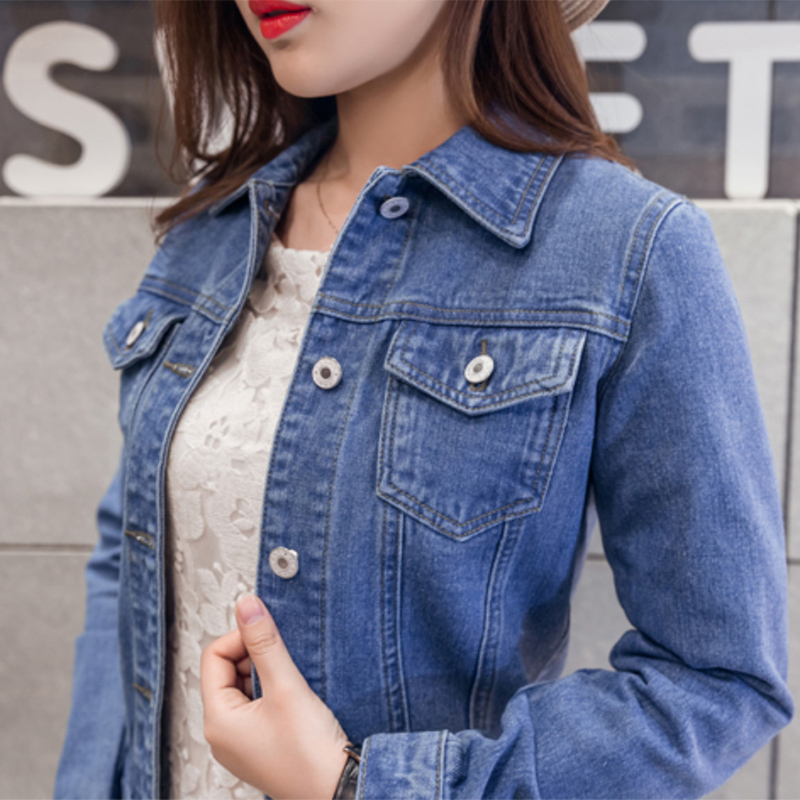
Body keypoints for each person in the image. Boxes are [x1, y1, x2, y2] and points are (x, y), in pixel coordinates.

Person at [54, 0, 794, 797]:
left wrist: (357, 785)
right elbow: (130, 560)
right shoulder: (213, 234)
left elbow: (716, 682)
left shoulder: (626, 250)